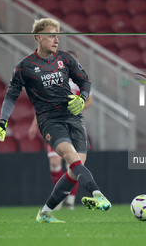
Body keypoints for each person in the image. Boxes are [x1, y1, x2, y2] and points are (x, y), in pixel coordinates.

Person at [0, 18, 111, 223]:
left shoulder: (66, 59)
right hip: (50, 120)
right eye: (52, 35)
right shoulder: (24, 67)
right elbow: (11, 96)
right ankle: (98, 194)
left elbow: (85, 81)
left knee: (74, 168)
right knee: (70, 156)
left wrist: (82, 98)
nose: (56, 40)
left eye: (58, 36)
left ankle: (44, 213)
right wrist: (2, 123)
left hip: (73, 117)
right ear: (38, 37)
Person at [28, 50, 93, 211]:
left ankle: (69, 199)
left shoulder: (80, 80)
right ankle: (59, 198)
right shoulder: (52, 78)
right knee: (55, 161)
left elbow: (89, 100)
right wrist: (34, 123)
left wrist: (78, 106)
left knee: (74, 164)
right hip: (55, 124)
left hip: (74, 124)